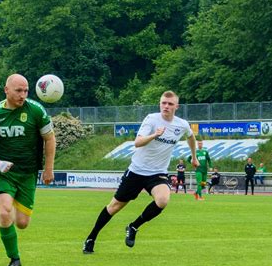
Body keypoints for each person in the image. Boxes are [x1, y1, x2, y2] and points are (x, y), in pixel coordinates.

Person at [83, 91, 199, 254]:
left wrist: (194, 157)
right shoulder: (151, 120)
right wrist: (155, 134)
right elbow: (137, 143)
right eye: (163, 103)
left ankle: (133, 226)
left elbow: (191, 137)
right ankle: (91, 238)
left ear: (176, 107)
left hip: (157, 173)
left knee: (163, 200)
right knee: (115, 206)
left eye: (170, 104)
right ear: (160, 103)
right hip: (137, 171)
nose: (166, 106)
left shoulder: (182, 125)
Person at [0, 74, 56, 266]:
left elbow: (50, 139)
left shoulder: (36, 110)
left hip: (28, 174)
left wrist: (48, 169)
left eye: (26, 90)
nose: (23, 95)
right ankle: (15, 258)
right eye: (18, 91)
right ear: (6, 90)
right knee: (5, 213)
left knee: (22, 223)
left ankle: (0, 207)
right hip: (5, 174)